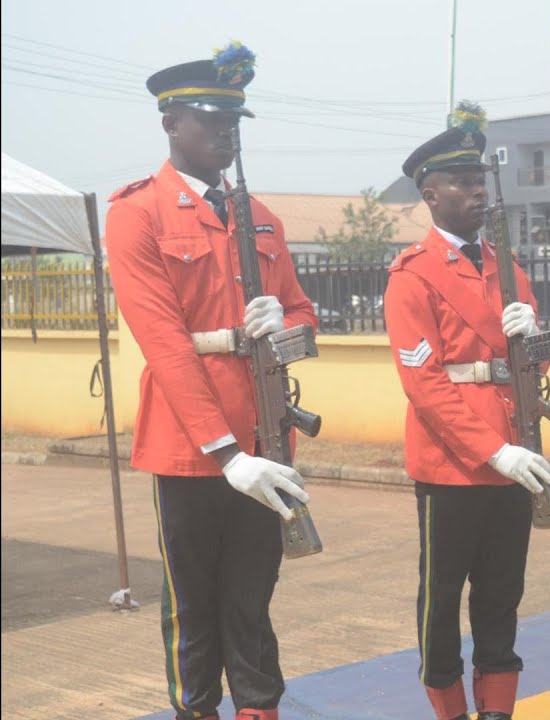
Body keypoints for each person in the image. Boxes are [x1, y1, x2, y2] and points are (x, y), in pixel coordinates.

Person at [105, 43, 314, 720]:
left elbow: (305, 321)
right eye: (210, 119)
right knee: (193, 606)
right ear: (171, 125)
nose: (227, 133)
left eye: (234, 122)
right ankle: (195, 711)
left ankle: (259, 709)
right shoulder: (138, 213)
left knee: (252, 601)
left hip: (268, 437)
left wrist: (281, 318)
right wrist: (226, 454)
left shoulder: (263, 219)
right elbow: (164, 344)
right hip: (192, 448)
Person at [383, 103, 550, 720]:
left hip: (513, 454)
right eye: (460, 182)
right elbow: (424, 384)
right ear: (430, 194)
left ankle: (499, 711)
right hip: (452, 464)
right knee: (442, 598)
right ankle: (451, 711)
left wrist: (534, 337)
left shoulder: (508, 268)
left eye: (480, 179)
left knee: (502, 597)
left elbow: (536, 368)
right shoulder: (413, 274)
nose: (476, 190)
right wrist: (493, 447)